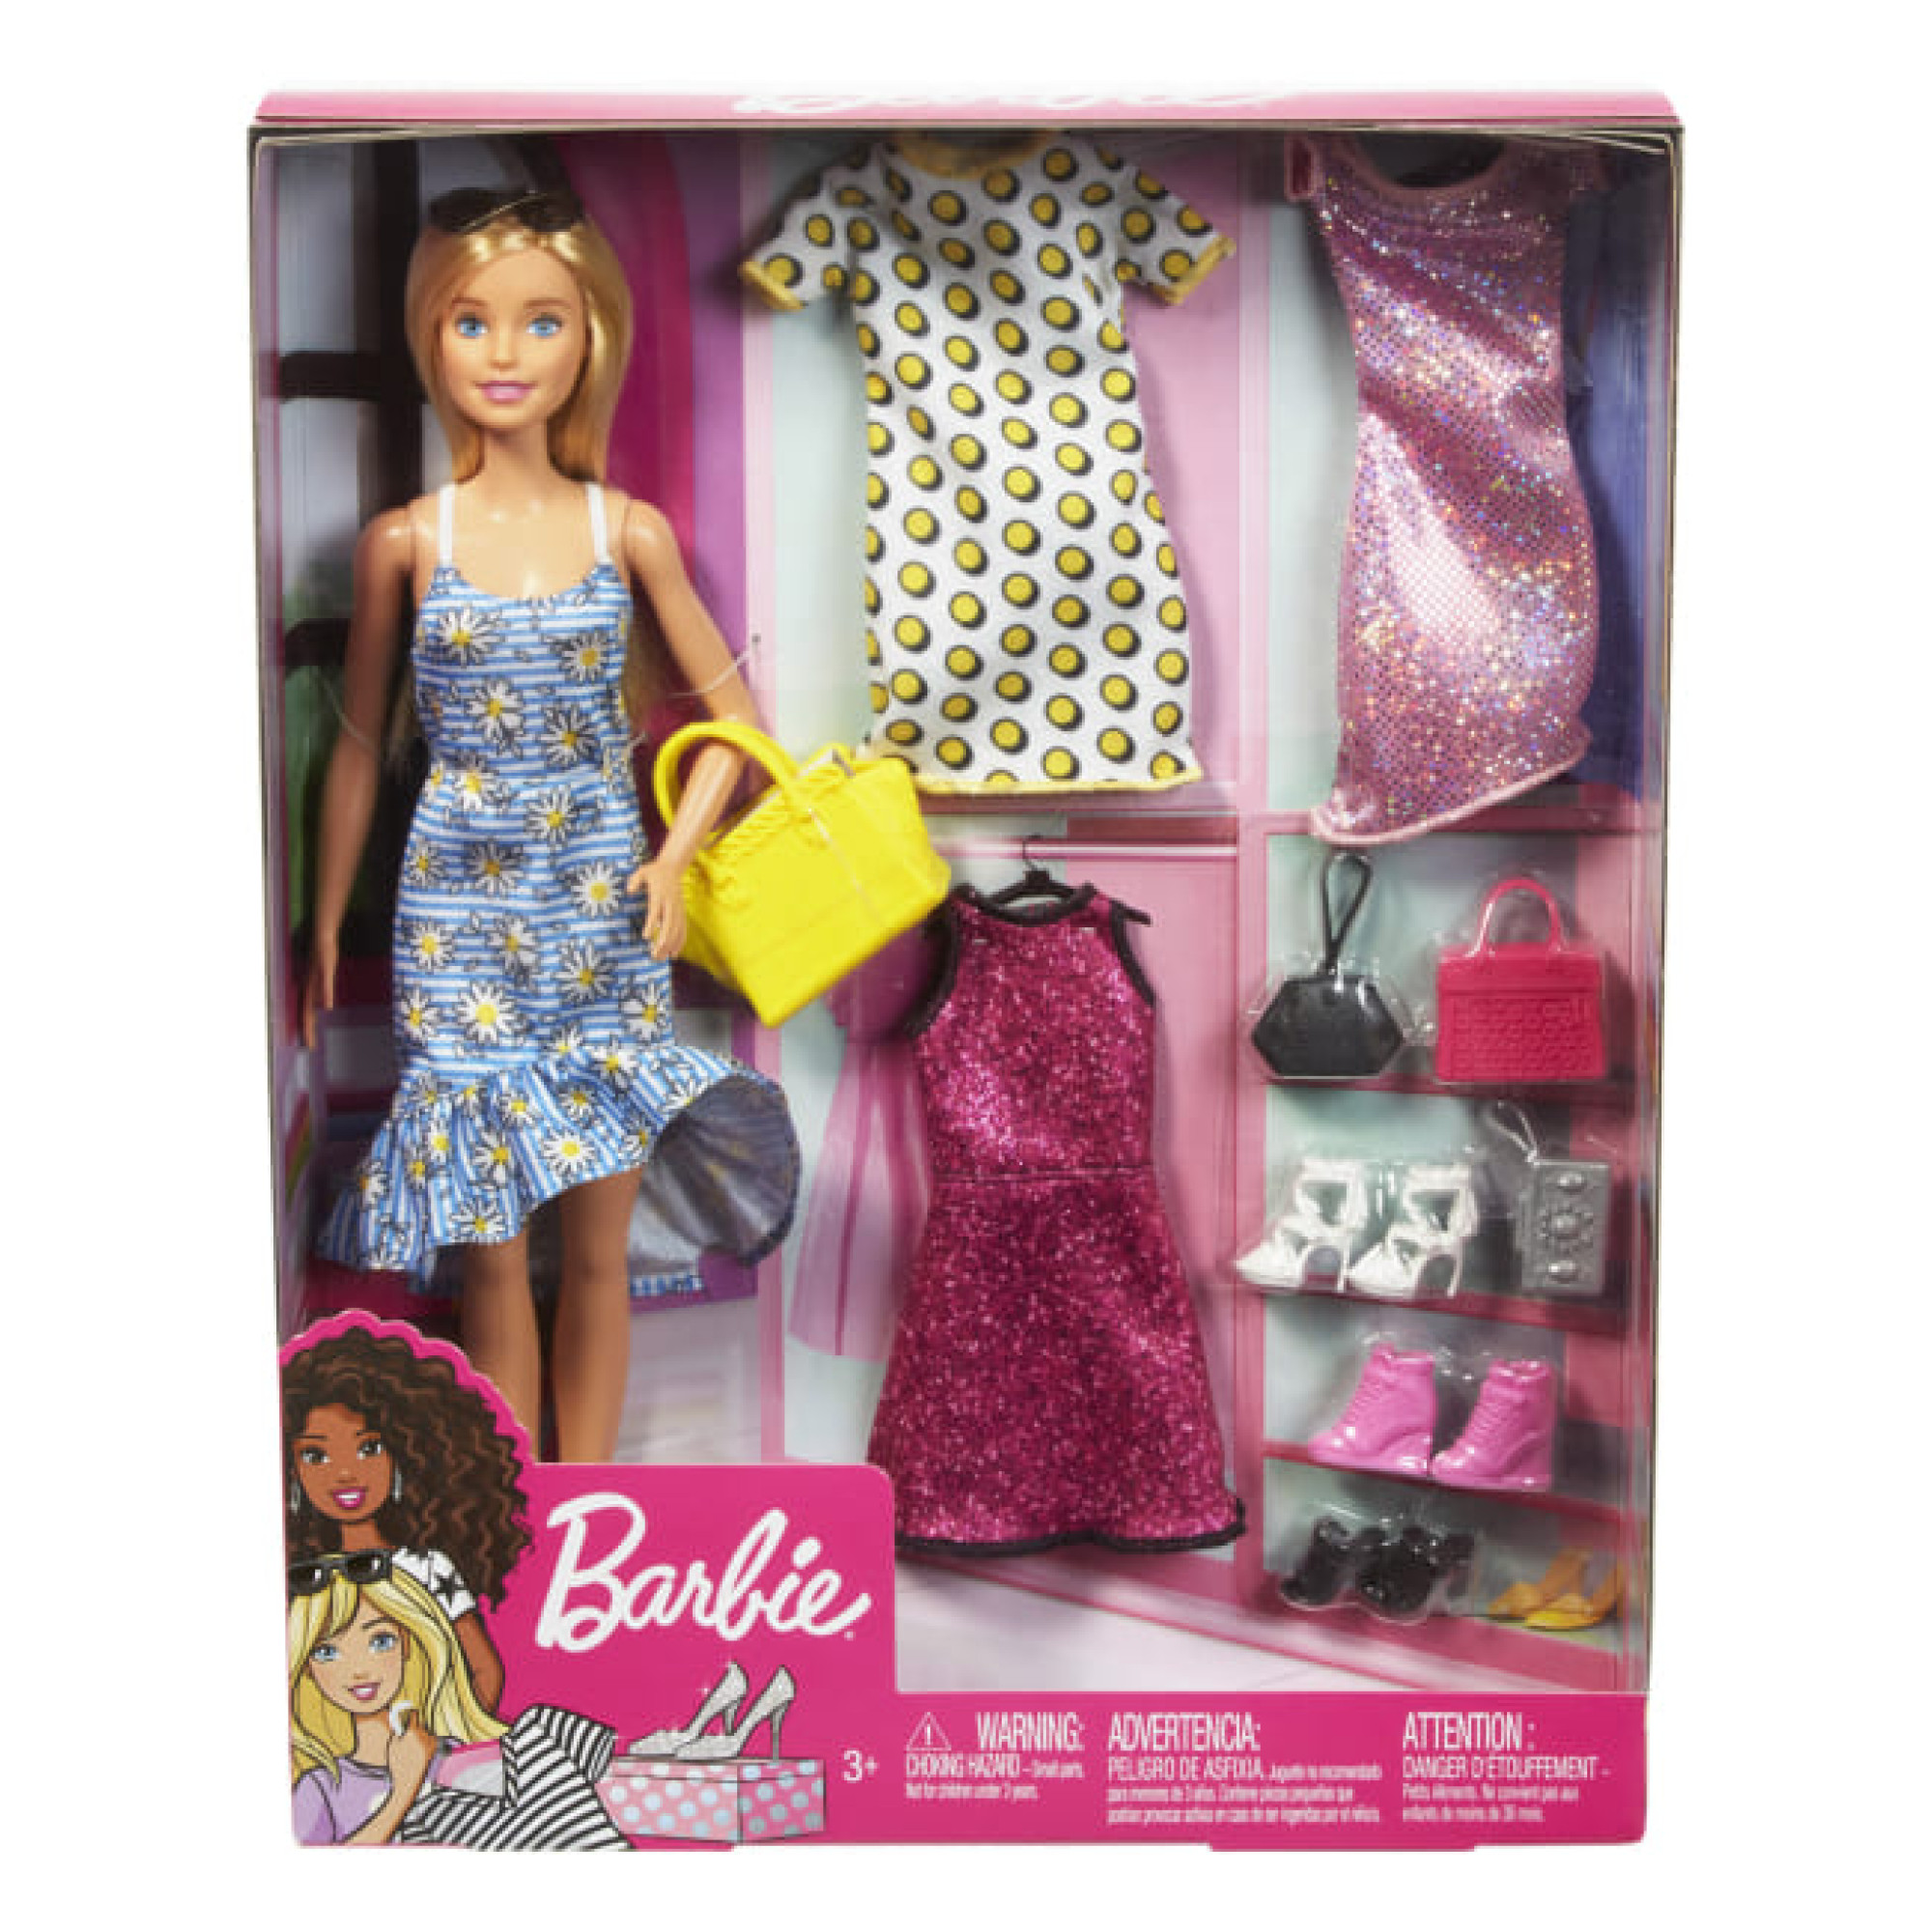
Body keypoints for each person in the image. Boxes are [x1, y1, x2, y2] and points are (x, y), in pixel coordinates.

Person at [304, 185, 798, 1461]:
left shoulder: (624, 531)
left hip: (600, 899)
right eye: (471, 321)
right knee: (489, 1247)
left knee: (594, 1246)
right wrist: (322, 921)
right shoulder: (407, 541)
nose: (506, 353)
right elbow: (358, 743)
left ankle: (586, 1503)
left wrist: (675, 857)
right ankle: (515, 1507)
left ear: (591, 337)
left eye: (541, 321)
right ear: (431, 336)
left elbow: (739, 731)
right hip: (456, 909)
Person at [282, 1315, 533, 1710]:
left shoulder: (426, 1569)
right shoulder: (301, 1573)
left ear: (402, 1455)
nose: (345, 1473)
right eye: (316, 1456)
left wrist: (447, 1738)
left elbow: (485, 1671)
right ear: (294, 1470)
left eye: (369, 1449)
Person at [287, 1553, 506, 1846]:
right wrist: (404, 1788)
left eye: (380, 1641)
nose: (358, 1670)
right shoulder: (320, 1788)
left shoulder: (459, 1758)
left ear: (407, 1644)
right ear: (307, 1668)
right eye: (327, 1652)